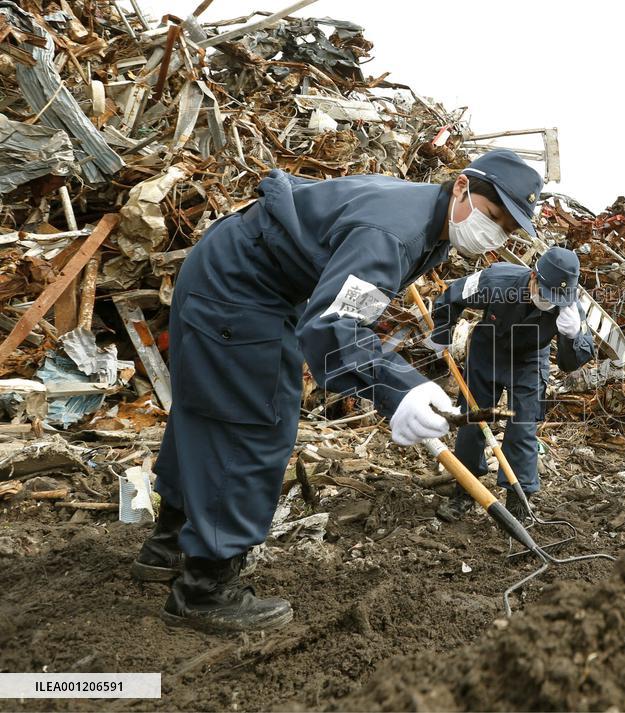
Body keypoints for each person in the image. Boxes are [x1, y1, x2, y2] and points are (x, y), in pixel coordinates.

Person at [130, 150, 543, 632]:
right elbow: (333, 326)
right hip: (241, 288)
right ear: (461, 186)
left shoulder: (425, 219)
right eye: (492, 216)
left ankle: (167, 546)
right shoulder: (393, 233)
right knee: (254, 423)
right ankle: (204, 588)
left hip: (233, 271)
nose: (494, 234)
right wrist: (399, 389)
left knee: (208, 410)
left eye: (507, 230)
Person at [427, 247, 596, 522]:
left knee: (522, 427)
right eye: (545, 294)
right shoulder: (497, 280)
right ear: (533, 277)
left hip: (529, 360)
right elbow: (452, 295)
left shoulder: (570, 307)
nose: (548, 302)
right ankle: (465, 491)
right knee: (472, 422)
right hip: (488, 351)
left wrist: (572, 337)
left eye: (556, 299)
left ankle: (518, 502)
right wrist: (441, 333)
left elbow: (570, 364)